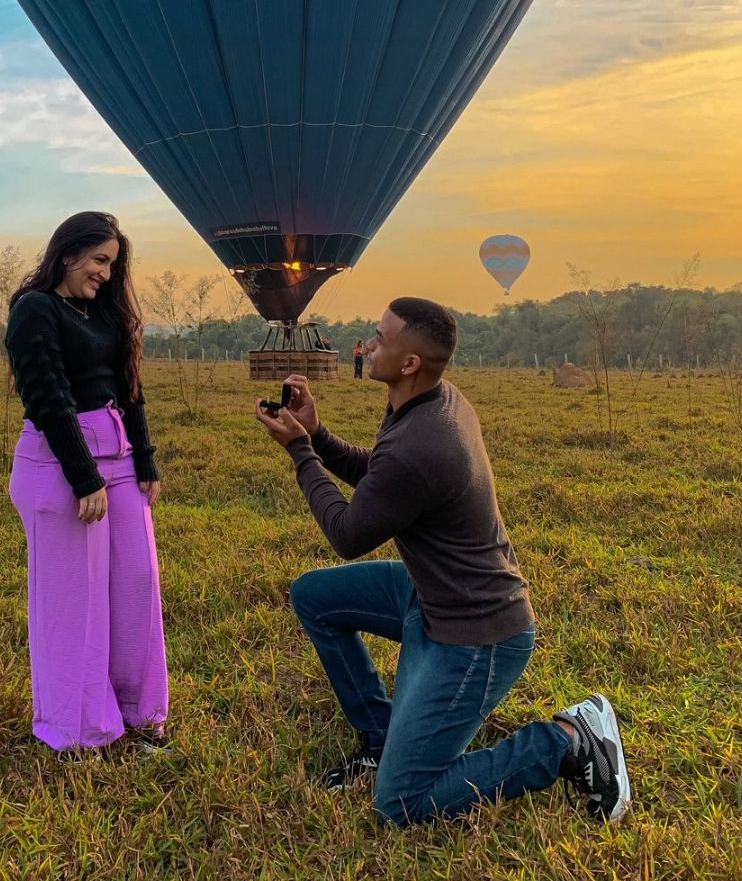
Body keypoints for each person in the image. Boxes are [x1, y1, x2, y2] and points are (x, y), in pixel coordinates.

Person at [254, 297, 630, 826]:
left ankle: (568, 741)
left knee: (400, 803)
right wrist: (317, 435)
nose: (368, 343)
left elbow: (348, 533)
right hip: (432, 596)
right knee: (314, 596)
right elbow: (384, 477)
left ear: (409, 363)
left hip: (477, 633)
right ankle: (381, 736)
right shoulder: (431, 401)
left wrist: (300, 451)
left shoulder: (425, 442)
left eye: (380, 338)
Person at [5, 211, 168, 754]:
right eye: (98, 260)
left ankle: (138, 716)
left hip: (118, 456)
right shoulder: (35, 309)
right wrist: (83, 478)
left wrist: (144, 460)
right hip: (62, 464)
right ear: (69, 252)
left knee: (137, 582)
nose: (104, 273)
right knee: (76, 601)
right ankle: (78, 732)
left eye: (112, 264)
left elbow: (130, 387)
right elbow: (47, 397)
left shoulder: (104, 312)